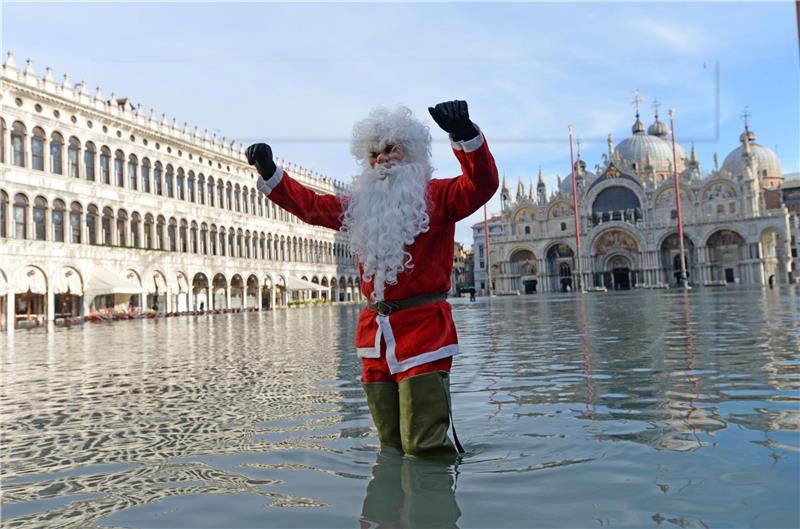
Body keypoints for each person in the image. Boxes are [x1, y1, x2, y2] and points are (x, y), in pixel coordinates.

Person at [246, 100, 498, 458]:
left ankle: (430, 511)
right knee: (390, 443)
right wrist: (272, 172)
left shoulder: (437, 196)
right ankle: (390, 514)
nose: (381, 159)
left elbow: (482, 185)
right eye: (374, 153)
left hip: (424, 334)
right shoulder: (359, 205)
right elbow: (311, 207)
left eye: (390, 150)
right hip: (374, 338)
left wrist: (464, 135)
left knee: (425, 445)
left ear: (409, 153)